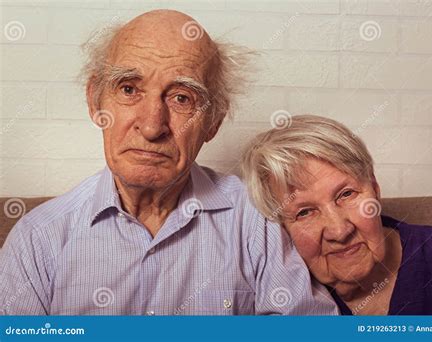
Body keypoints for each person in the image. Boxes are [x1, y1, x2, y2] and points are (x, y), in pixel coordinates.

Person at [0, 11, 338, 315]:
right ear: (95, 101)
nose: (151, 126)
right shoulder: (37, 239)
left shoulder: (257, 220)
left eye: (181, 98)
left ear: (213, 121)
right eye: (129, 89)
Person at [241, 114, 432, 315]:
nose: (339, 231)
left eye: (346, 194)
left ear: (375, 189)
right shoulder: (276, 292)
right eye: (305, 212)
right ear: (280, 229)